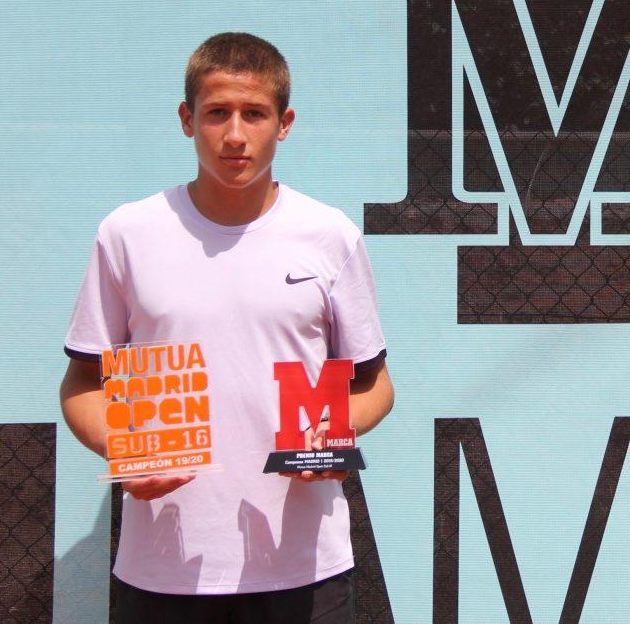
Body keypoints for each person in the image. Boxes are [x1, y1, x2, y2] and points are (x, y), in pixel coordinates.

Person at [59, 33, 394, 623]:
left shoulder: (330, 234)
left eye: (254, 114)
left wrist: (333, 433)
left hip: (305, 568)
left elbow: (375, 384)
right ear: (187, 120)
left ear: (284, 123)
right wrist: (122, 448)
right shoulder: (128, 233)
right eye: (217, 113)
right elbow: (83, 385)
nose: (235, 134)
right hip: (162, 570)